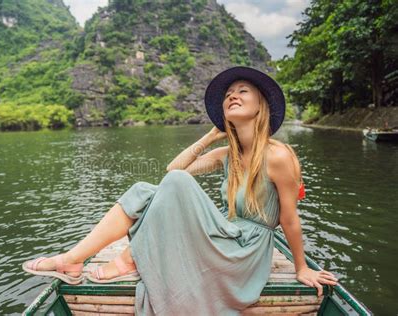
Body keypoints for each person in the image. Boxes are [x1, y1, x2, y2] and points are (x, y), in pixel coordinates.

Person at [22, 66, 338, 315]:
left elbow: (290, 219)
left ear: (261, 106)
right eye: (228, 94)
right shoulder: (227, 155)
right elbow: (175, 168)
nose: (232, 96)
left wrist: (301, 268)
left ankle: (131, 257)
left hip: (246, 253)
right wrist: (210, 137)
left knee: (176, 184)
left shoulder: (278, 155)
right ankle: (73, 260)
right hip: (227, 237)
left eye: (242, 91)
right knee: (144, 189)